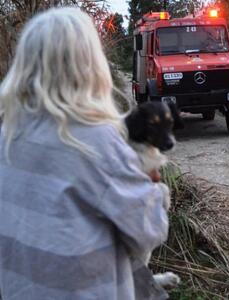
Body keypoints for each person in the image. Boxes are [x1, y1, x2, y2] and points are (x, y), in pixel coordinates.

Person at [0, 7, 170, 300]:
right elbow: (149, 228)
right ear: (89, 64)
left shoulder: (9, 133)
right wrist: (154, 187)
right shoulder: (92, 139)